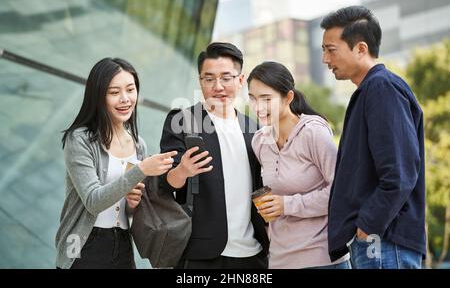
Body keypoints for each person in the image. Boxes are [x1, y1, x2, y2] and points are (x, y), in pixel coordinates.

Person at [321, 6, 426, 269]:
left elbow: (399, 174)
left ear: (360, 48)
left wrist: (367, 226)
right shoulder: (371, 90)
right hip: (378, 242)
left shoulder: (381, 87)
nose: (325, 59)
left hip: (384, 241)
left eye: (331, 49)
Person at [55, 57, 177, 269]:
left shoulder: (139, 145)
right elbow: (94, 201)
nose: (125, 99)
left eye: (130, 90)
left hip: (121, 245)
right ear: (98, 97)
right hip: (83, 247)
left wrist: (132, 204)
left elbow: (125, 211)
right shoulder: (80, 140)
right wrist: (141, 169)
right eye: (114, 93)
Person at [159, 42, 269, 269]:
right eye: (208, 79)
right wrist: (182, 171)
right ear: (200, 81)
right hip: (200, 255)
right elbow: (166, 183)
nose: (217, 86)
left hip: (252, 254)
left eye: (226, 78)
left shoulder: (254, 128)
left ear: (240, 80)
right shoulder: (183, 121)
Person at [248, 61, 351, 269]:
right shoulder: (260, 141)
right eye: (252, 98)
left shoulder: (313, 133)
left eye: (266, 99)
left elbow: (342, 192)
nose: (258, 107)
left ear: (288, 97)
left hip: (321, 259)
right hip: (279, 260)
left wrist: (287, 205)